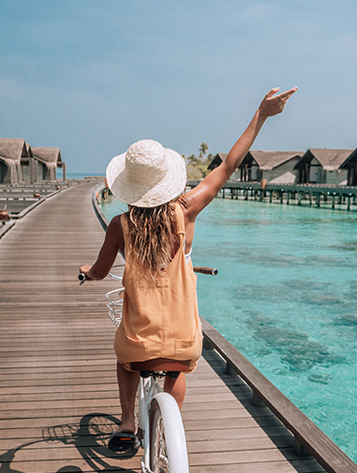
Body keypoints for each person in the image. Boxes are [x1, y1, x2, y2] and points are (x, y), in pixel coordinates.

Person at [80, 86, 297, 451]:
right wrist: (261, 115)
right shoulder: (186, 210)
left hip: (139, 340)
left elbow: (101, 271)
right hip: (184, 340)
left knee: (125, 359)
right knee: (176, 367)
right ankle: (171, 424)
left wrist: (88, 270)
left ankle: (128, 421)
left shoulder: (120, 225)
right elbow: (228, 165)